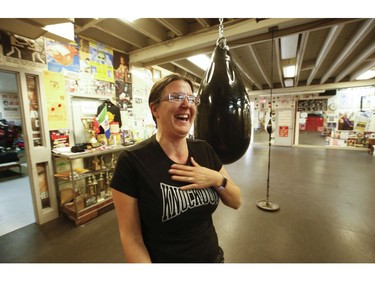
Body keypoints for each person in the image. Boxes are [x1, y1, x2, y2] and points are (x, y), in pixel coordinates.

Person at [110, 73, 241, 263]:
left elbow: (236, 201)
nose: (186, 104)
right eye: (176, 97)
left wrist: (216, 179)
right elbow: (131, 238)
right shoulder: (132, 161)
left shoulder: (203, 150)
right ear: (155, 109)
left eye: (191, 98)